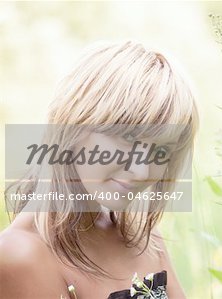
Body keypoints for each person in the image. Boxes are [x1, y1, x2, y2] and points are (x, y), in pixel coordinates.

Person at [0, 40, 198, 299]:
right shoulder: (18, 256)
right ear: (74, 124)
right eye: (128, 138)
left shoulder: (144, 239)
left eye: (161, 152)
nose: (141, 171)